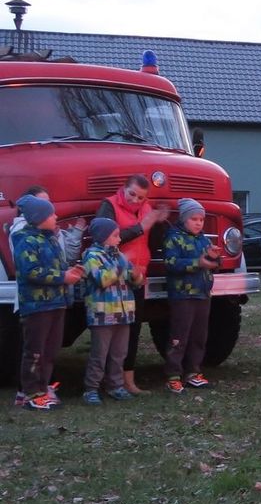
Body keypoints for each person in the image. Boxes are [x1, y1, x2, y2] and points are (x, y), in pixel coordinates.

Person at [12, 194, 83, 410]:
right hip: (36, 306)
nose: (56, 216)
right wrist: (62, 277)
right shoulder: (26, 241)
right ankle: (30, 393)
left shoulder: (50, 238)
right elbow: (30, 271)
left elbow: (58, 267)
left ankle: (43, 388)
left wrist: (70, 272)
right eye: (51, 213)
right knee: (35, 350)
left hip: (56, 303)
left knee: (50, 350)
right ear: (39, 217)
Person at [96, 174, 164, 394]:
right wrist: (141, 227)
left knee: (133, 329)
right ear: (123, 189)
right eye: (132, 194)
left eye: (141, 197)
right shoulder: (109, 206)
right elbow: (105, 240)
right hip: (114, 280)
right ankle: (108, 380)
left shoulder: (146, 208)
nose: (135, 200)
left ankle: (129, 380)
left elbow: (152, 240)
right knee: (112, 331)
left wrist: (160, 223)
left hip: (138, 277)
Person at [80, 217, 141, 405]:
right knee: (100, 353)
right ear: (103, 237)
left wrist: (136, 276)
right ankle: (91, 389)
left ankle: (115, 385)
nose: (119, 239)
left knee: (119, 353)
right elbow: (103, 280)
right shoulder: (91, 256)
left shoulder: (119, 255)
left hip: (123, 314)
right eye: (115, 235)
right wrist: (122, 266)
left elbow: (134, 283)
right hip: (102, 316)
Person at [163, 198, 220, 394]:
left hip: (202, 294)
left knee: (199, 335)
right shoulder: (174, 238)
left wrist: (213, 257)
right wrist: (199, 263)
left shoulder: (203, 239)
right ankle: (173, 375)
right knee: (180, 336)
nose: (198, 223)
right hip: (182, 295)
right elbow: (171, 263)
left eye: (201, 220)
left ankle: (193, 373)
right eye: (194, 219)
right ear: (184, 219)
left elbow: (212, 262)